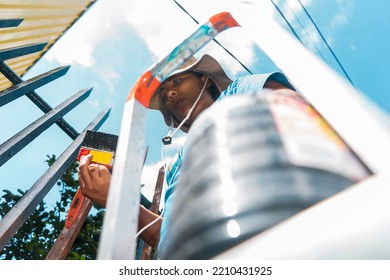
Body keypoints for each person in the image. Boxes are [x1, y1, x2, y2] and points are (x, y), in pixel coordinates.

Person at [78, 54, 296, 254]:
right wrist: (120, 201)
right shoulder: (175, 166)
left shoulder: (238, 92)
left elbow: (293, 105)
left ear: (205, 80)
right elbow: (169, 237)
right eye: (163, 95)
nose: (170, 94)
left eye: (176, 82)